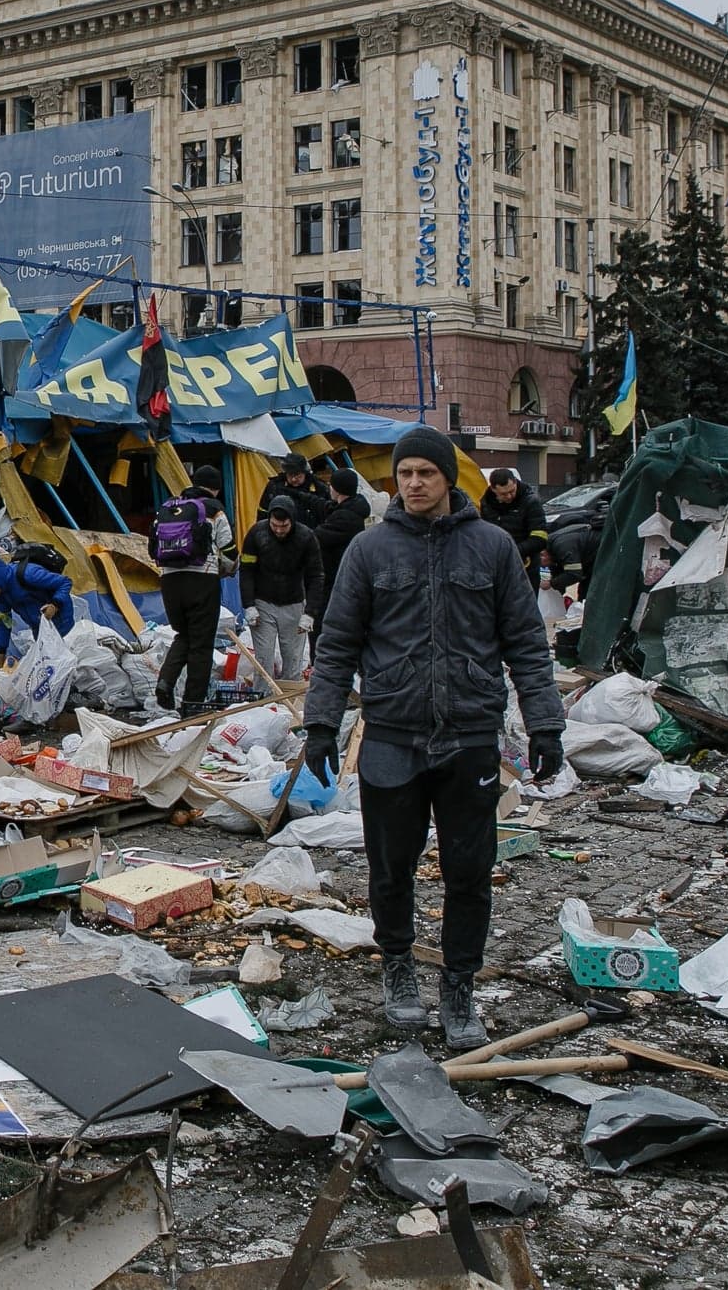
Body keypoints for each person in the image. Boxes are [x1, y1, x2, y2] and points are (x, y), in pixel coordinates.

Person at [300, 428, 565, 1051]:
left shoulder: (493, 548)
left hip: (470, 736)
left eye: (426, 472)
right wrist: (319, 723)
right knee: (391, 867)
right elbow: (336, 644)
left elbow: (526, 642)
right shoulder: (368, 551)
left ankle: (459, 984)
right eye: (405, 473)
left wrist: (546, 722)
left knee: (470, 869)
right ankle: (398, 968)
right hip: (392, 735)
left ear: (449, 479)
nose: (414, 483)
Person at [150, 465, 235, 715]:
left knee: (183, 634)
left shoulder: (168, 508)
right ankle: (193, 704)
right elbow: (227, 549)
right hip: (202, 580)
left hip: (169, 581)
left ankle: (166, 680)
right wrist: (229, 569)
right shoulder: (214, 510)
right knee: (201, 643)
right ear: (216, 488)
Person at [238, 498, 324, 682]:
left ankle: (289, 703)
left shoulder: (306, 537)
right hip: (263, 603)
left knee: (293, 660)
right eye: (274, 525)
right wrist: (249, 605)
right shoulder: (256, 534)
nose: (278, 530)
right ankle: (263, 702)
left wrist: (310, 613)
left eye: (283, 526)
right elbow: (246, 570)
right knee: (264, 659)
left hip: (293, 602)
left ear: (292, 521)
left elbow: (316, 576)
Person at [0, 539, 75, 662]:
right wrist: (0, 652)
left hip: (63, 625)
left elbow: (64, 582)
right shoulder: (1, 593)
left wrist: (54, 605)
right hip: (40, 630)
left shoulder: (28, 574)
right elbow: (4, 622)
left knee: (68, 662)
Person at [479, 468, 549, 583]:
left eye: (512, 491)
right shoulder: (486, 504)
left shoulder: (530, 502)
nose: (509, 496)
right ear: (493, 489)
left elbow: (540, 538)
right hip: (498, 567)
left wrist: (513, 551)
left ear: (515, 482)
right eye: (503, 494)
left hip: (526, 567)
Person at [312, 465, 370, 597]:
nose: (328, 488)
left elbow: (316, 537)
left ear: (338, 490)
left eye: (330, 485)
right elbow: (321, 505)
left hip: (338, 580)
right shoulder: (350, 508)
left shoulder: (345, 517)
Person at [259, 453, 327, 527]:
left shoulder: (318, 488)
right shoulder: (274, 486)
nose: (294, 479)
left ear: (305, 473)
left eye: (298, 476)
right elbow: (263, 512)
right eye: (290, 475)